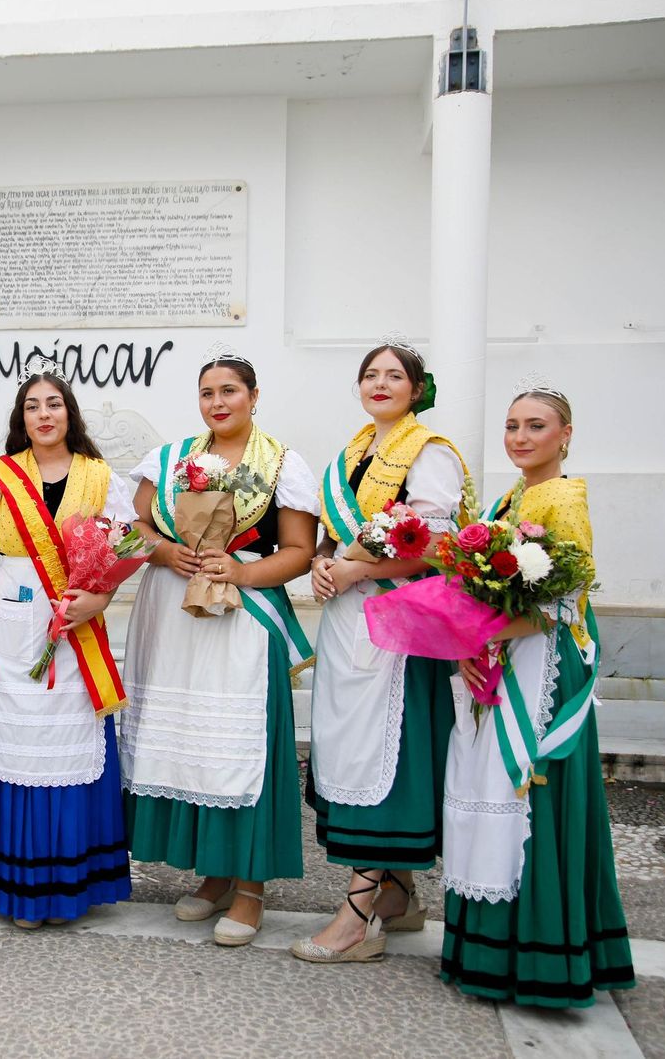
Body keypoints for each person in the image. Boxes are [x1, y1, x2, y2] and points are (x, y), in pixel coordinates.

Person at [439, 381, 635, 1006]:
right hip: (505, 655)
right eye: (512, 426)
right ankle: (490, 949)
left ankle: (543, 955)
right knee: (491, 789)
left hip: (544, 667)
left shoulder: (563, 498)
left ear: (565, 435)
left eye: (536, 426)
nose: (520, 437)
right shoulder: (513, 497)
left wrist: (478, 633)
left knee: (530, 797)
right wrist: (469, 639)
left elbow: (564, 601)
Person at [121, 354, 320, 947]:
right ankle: (215, 872)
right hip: (175, 616)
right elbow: (133, 527)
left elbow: (299, 551)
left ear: (254, 396)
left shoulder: (281, 464)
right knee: (194, 745)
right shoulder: (170, 459)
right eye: (207, 392)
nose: (218, 402)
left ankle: (251, 887)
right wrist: (164, 552)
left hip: (243, 618)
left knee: (239, 746)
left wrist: (240, 572)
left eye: (229, 390)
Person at [292, 339, 470, 964]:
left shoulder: (431, 453)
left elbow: (437, 546)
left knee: (382, 754)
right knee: (351, 745)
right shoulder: (352, 453)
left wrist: (357, 569)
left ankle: (357, 916)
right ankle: (399, 894)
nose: (380, 384)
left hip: (402, 628)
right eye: (371, 374)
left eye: (395, 376)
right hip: (350, 621)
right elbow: (335, 535)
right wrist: (323, 563)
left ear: (417, 390)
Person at [0, 366, 134, 928]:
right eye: (33, 405)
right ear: (21, 417)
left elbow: (126, 550)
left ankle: (68, 883)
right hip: (10, 630)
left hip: (76, 629)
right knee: (15, 746)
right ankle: (20, 885)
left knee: (70, 746)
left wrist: (99, 599)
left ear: (69, 412)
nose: (44, 414)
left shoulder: (100, 477)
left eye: (54, 403)